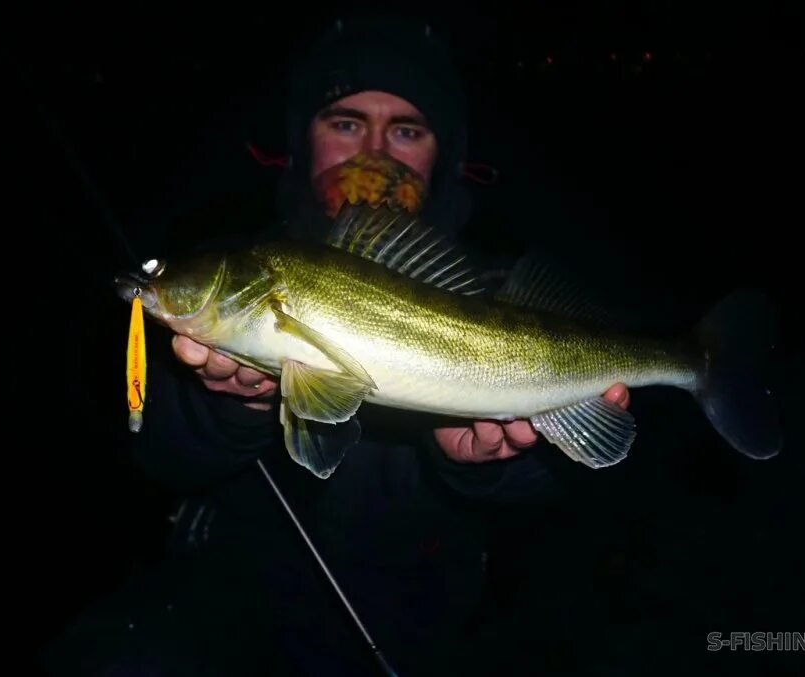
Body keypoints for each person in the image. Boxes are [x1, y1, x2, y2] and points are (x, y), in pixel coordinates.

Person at [42, 13, 630, 676]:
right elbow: (153, 454)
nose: (375, 151)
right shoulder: (238, 259)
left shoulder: (492, 287)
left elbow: (559, 488)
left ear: (446, 154)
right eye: (346, 122)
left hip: (424, 592)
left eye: (407, 129)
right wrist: (229, 409)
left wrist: (486, 467)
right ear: (301, 142)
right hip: (234, 581)